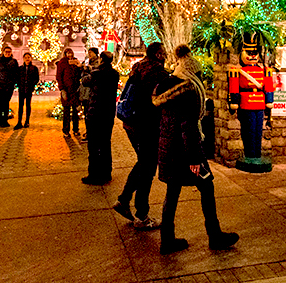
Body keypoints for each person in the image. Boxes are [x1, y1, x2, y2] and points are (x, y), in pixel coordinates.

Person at [154, 45, 238, 254]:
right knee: (207, 186)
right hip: (185, 152)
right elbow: (188, 126)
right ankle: (215, 235)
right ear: (193, 72)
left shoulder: (166, 85)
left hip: (168, 147)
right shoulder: (190, 91)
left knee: (172, 192)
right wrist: (194, 159)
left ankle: (167, 239)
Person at [112, 42, 168, 229]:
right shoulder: (158, 73)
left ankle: (124, 200)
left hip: (131, 124)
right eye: (164, 53)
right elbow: (160, 101)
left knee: (143, 162)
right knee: (148, 168)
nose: (166, 55)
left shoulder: (138, 68)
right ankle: (141, 215)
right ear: (159, 54)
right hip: (147, 125)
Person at [81, 51, 119, 185]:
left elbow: (85, 82)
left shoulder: (96, 73)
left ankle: (94, 174)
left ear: (101, 60)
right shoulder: (115, 74)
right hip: (108, 112)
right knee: (105, 143)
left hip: (95, 112)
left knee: (93, 145)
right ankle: (106, 172)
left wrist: (85, 71)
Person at [56, 48, 81, 137]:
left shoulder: (75, 62)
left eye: (71, 53)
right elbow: (59, 76)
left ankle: (75, 129)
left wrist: (78, 66)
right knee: (66, 111)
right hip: (66, 90)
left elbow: (79, 74)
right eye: (68, 53)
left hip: (75, 90)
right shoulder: (62, 63)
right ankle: (66, 130)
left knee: (75, 111)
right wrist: (62, 89)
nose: (70, 55)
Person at [77, 47, 100, 142]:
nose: (89, 54)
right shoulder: (87, 61)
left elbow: (96, 73)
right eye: (88, 52)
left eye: (91, 53)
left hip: (91, 92)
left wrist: (89, 68)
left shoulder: (97, 62)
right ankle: (88, 131)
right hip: (84, 91)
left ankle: (91, 133)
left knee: (90, 114)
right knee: (86, 113)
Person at [0, 45, 19, 128]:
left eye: (9, 52)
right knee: (1, 103)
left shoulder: (14, 62)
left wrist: (14, 81)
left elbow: (16, 72)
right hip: (0, 85)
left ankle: (5, 119)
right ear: (3, 52)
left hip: (9, 85)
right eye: (6, 52)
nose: (7, 53)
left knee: (6, 103)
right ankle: (1, 120)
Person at [15, 52, 39, 129]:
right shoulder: (20, 68)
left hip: (29, 89)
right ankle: (19, 122)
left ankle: (27, 121)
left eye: (28, 57)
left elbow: (36, 78)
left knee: (28, 105)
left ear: (31, 58)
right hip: (22, 89)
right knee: (20, 106)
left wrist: (32, 85)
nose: (27, 59)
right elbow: (17, 78)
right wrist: (19, 84)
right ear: (23, 59)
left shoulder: (34, 68)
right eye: (25, 57)